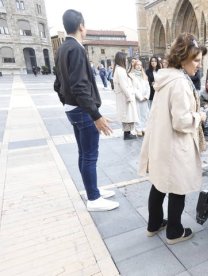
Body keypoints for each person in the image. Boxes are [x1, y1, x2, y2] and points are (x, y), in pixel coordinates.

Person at [138, 33, 207, 245]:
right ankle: (174, 231)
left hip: (161, 141)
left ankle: (154, 224)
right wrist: (200, 116)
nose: (198, 65)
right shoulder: (179, 82)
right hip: (175, 144)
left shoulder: (167, 77)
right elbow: (181, 121)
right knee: (178, 186)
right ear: (183, 57)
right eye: (195, 60)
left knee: (159, 184)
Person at [53, 9, 118, 211]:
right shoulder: (77, 49)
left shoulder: (63, 48)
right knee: (89, 155)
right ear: (81, 26)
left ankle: (92, 190)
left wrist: (67, 102)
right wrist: (95, 115)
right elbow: (80, 86)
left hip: (73, 108)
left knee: (84, 153)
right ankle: (93, 198)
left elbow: (58, 84)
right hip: (81, 109)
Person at [113, 52, 139, 140]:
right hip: (125, 97)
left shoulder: (119, 70)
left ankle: (128, 132)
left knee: (128, 115)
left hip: (125, 96)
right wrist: (129, 97)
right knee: (127, 115)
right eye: (126, 59)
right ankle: (127, 134)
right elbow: (124, 85)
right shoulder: (120, 70)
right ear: (121, 59)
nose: (127, 61)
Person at [128, 59, 151, 137]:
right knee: (137, 114)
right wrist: (140, 97)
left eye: (140, 65)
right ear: (134, 66)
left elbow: (148, 87)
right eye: (137, 65)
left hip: (144, 98)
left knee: (145, 114)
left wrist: (146, 96)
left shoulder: (144, 75)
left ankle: (145, 128)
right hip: (137, 99)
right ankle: (138, 129)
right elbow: (133, 88)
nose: (139, 66)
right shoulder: (131, 75)